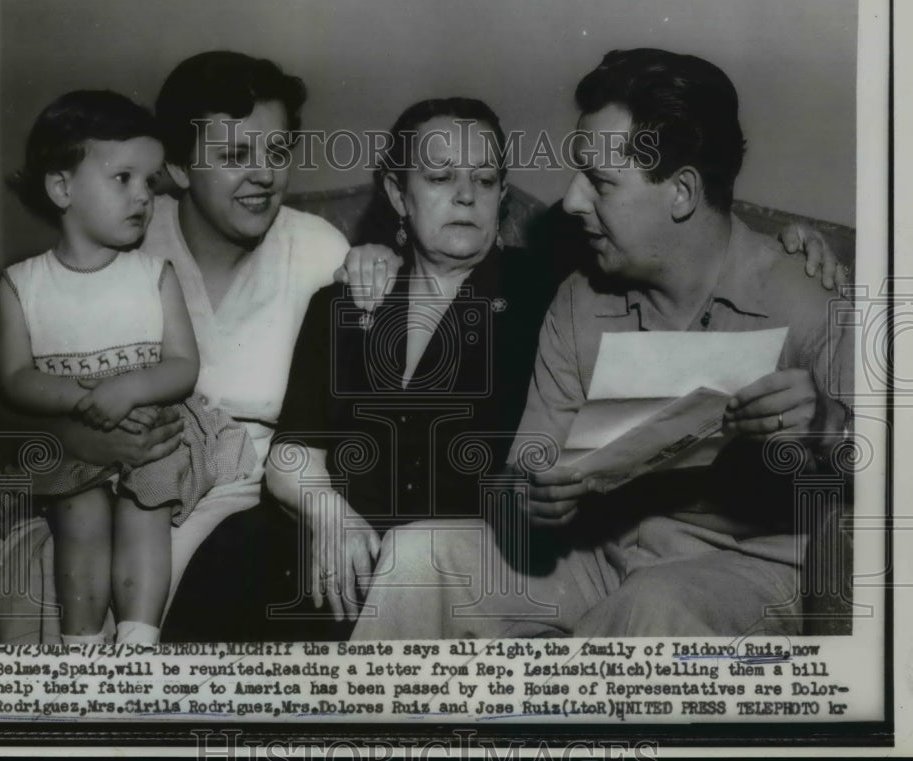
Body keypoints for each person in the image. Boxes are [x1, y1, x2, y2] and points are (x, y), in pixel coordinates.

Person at [350, 49, 853, 639]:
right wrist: (529, 496)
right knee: (419, 557)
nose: (571, 201)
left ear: (682, 192)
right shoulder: (579, 299)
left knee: (656, 601)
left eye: (600, 181)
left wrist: (833, 427)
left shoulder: (811, 298)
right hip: (598, 559)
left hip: (750, 577)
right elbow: (521, 475)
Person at [0, 52, 400, 643]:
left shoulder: (319, 248)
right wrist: (71, 437)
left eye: (277, 153)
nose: (264, 175)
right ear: (176, 164)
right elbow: (2, 389)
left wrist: (381, 260)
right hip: (98, 474)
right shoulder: (129, 232)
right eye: (232, 156)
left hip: (248, 494)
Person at [162, 97, 555, 640]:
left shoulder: (541, 294)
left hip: (450, 554)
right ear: (398, 194)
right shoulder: (343, 304)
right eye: (440, 177)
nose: (466, 195)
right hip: (338, 537)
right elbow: (294, 450)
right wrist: (331, 516)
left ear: (502, 196)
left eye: (485, 180)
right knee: (237, 550)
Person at [0, 90, 256, 645]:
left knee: (146, 505)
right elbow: (16, 378)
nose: (144, 196)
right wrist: (80, 401)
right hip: (79, 437)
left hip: (156, 431)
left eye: (150, 182)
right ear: (62, 187)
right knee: (79, 514)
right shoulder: (22, 284)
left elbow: (183, 366)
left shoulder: (152, 274)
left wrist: (130, 388)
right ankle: (82, 642)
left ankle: (139, 638)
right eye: (124, 179)